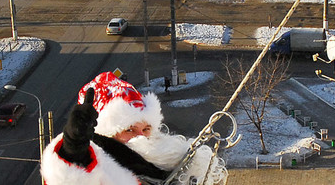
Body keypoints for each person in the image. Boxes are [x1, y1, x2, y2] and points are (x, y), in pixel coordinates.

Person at [41, 72, 226, 184]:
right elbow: (70, 177)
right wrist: (74, 146)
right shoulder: (100, 174)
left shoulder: (166, 168)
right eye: (129, 130)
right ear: (105, 134)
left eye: (146, 129)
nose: (142, 137)